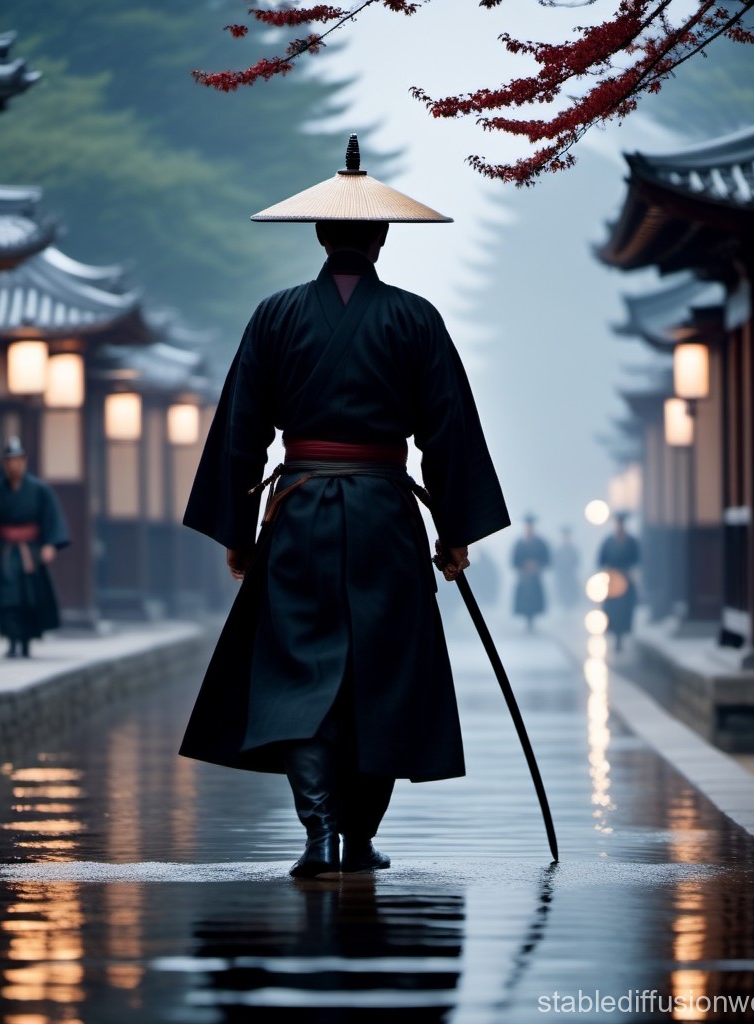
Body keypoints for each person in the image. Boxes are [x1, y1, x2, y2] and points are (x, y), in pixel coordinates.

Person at [179, 136, 510, 878]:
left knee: (300, 673)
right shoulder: (415, 320)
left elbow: (241, 430)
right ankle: (358, 838)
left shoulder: (274, 317)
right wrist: (455, 532)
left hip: (298, 515)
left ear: (323, 236)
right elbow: (449, 431)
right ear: (383, 236)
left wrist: (237, 529)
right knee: (381, 674)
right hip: (386, 518)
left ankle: (320, 832)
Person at [0, 437, 70, 658]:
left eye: (17, 460)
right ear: (5, 463)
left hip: (30, 552)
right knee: (8, 598)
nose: (13, 465)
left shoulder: (39, 490)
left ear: (24, 461)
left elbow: (52, 518)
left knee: (29, 598)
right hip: (5, 551)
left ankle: (26, 642)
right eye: (9, 461)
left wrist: (50, 545)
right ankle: (12, 641)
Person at [597, 512, 640, 651]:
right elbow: (601, 560)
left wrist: (630, 572)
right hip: (612, 580)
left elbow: (637, 559)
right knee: (613, 610)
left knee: (625, 609)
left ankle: (622, 635)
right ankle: (615, 635)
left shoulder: (631, 541)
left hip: (626, 578)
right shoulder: (608, 541)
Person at [512, 515, 551, 631]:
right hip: (524, 579)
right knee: (525, 602)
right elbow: (514, 561)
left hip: (535, 578)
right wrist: (523, 566)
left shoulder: (540, 543)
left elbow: (547, 560)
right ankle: (527, 621)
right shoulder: (519, 543)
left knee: (534, 601)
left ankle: (532, 621)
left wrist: (537, 565)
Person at [553, 526, 581, 611]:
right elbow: (555, 564)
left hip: (571, 579)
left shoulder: (573, 550)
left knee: (571, 599)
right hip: (561, 579)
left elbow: (576, 563)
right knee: (562, 599)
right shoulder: (558, 551)